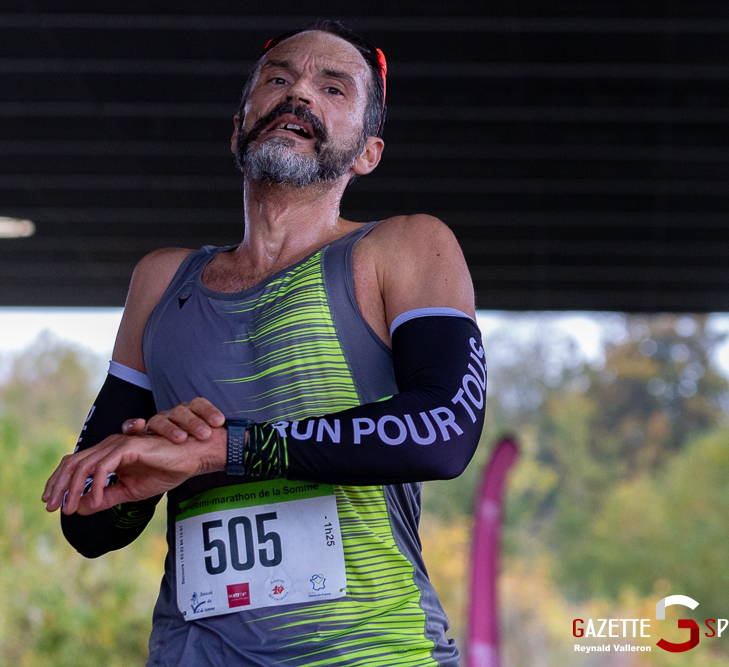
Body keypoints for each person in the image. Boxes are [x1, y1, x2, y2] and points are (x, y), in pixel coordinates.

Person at [41, 19, 486, 667]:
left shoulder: (403, 245)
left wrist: (220, 450)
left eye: (332, 88)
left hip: (373, 652)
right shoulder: (162, 280)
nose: (298, 93)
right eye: (278, 79)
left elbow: (443, 433)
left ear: (368, 152)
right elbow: (88, 525)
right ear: (238, 128)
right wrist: (138, 482)